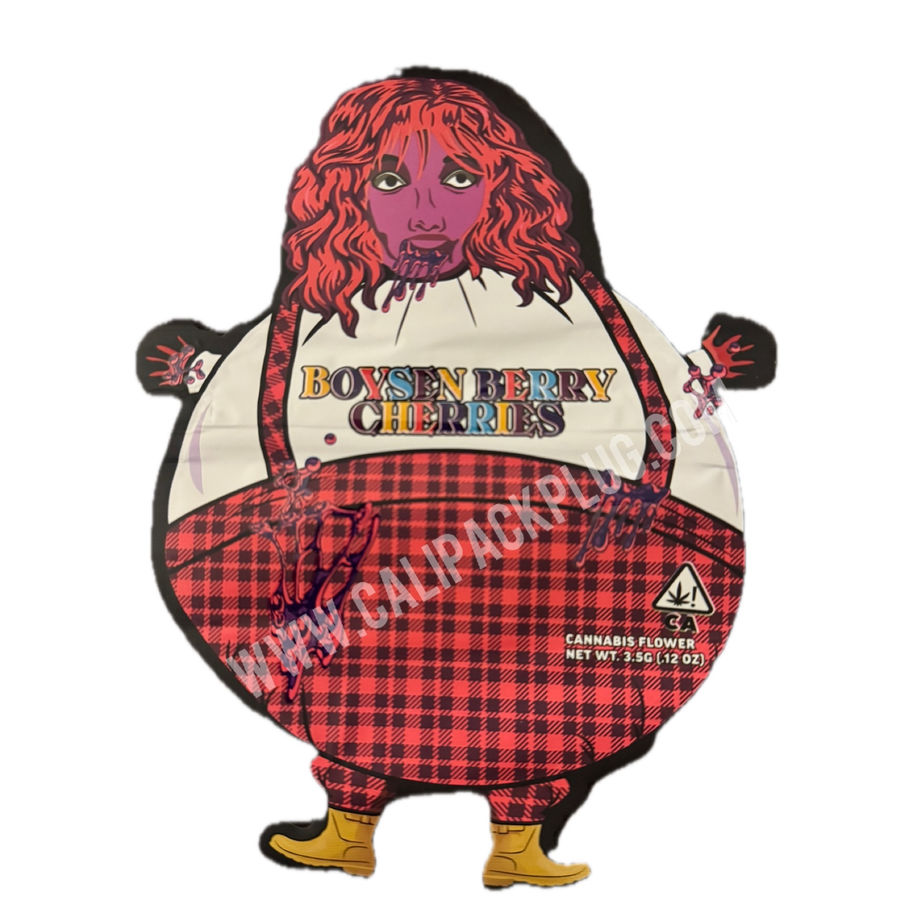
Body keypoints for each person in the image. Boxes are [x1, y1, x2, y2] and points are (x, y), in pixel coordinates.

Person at [140, 74, 772, 887]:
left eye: (459, 178)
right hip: (358, 545)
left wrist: (658, 469)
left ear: (504, 189)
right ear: (346, 192)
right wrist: (221, 401)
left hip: (549, 541)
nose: (426, 212)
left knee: (538, 695)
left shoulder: (564, 304)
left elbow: (647, 394)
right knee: (351, 677)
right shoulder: (325, 310)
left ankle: (516, 844)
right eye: (391, 181)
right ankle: (354, 827)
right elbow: (266, 394)